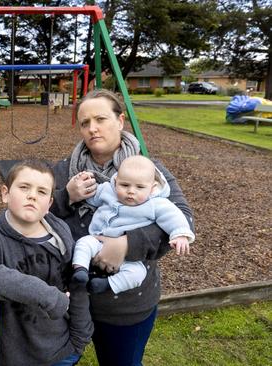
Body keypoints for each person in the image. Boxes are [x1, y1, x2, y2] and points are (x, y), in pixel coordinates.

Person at [50, 89, 195, 366]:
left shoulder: (150, 171)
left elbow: (183, 220)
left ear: (120, 120)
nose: (92, 128)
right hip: (69, 297)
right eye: (84, 123)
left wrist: (127, 245)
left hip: (126, 302)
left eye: (101, 119)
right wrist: (65, 196)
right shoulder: (64, 170)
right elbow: (36, 218)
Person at [0, 160, 93, 366]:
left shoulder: (60, 233)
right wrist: (48, 296)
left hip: (60, 349)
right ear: (5, 194)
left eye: (42, 192)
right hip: (13, 356)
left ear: (49, 204)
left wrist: (80, 337)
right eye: (24, 187)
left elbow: (77, 285)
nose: (32, 195)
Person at [72, 155, 195, 294]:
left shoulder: (156, 204)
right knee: (83, 244)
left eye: (140, 187)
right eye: (124, 185)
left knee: (137, 274)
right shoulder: (108, 190)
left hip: (131, 256)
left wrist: (180, 234)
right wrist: (79, 188)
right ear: (116, 181)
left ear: (152, 187)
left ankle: (107, 284)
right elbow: (91, 196)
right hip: (98, 240)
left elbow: (173, 216)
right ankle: (80, 271)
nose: (131, 191)